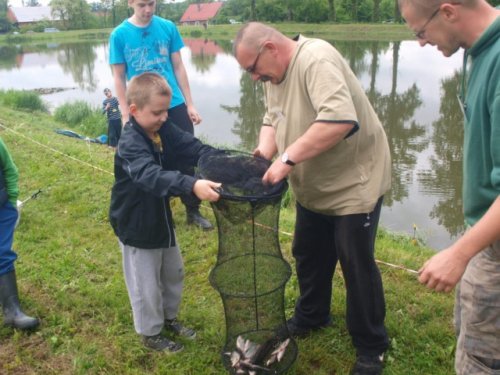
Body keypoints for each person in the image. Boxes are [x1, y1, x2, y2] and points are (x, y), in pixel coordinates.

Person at [233, 23, 392, 375]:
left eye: (252, 69)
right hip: (313, 184)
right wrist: (264, 153)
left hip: (354, 183)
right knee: (307, 252)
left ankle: (371, 346)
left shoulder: (316, 59)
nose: (253, 78)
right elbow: (271, 119)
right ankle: (312, 314)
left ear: (271, 48)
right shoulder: (273, 76)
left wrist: (285, 160)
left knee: (355, 262)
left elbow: (339, 120)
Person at [398, 1, 500, 373]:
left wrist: (458, 254)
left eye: (420, 32)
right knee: (468, 337)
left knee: (482, 361)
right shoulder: (479, 51)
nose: (421, 43)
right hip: (485, 238)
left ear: (448, 11)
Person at [109, 72, 221, 352]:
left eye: (166, 111)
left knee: (174, 272)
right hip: (135, 222)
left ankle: (169, 319)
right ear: (134, 111)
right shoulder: (130, 142)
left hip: (160, 217)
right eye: (157, 112)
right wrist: (192, 184)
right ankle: (150, 332)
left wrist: (220, 160)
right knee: (145, 282)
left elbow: (190, 147)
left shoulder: (163, 128)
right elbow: (149, 175)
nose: (163, 117)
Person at [109, 0, 214, 230]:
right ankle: (161, 211)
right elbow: (118, 77)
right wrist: (125, 115)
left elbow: (178, 67)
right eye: (142, 5)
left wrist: (190, 104)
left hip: (173, 103)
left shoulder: (167, 27)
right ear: (130, 3)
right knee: (153, 161)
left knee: (186, 156)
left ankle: (192, 210)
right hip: (144, 108)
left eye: (152, 4)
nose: (147, 10)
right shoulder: (119, 35)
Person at [0, 136, 39, 330]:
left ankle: (12, 311)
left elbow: (10, 169)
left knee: (2, 253)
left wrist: (11, 201)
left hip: (2, 207)